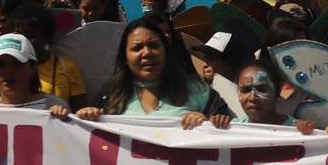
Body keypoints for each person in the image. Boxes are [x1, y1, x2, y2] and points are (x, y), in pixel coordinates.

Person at [57, 18, 229, 129]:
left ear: (166, 51)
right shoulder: (110, 95)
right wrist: (86, 118)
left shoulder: (198, 91)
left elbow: (231, 131)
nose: (146, 53)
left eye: (154, 45)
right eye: (137, 48)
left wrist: (207, 124)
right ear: (125, 56)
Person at [0, 34, 68, 115]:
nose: (8, 71)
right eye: (0, 65)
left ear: (32, 68)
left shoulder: (54, 106)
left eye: (17, 64)